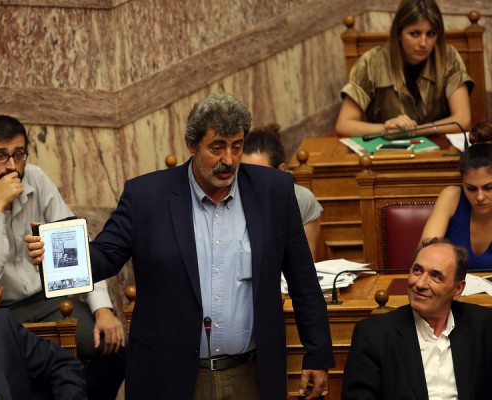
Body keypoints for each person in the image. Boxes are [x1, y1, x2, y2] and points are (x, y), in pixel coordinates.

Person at [27, 92, 335, 400]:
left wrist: (318, 353)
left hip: (251, 373)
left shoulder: (273, 192)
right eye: (217, 147)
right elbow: (105, 255)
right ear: (192, 145)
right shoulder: (146, 197)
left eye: (236, 146)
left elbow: (303, 280)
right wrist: (53, 256)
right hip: (170, 376)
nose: (229, 160)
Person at [0, 115, 126, 399]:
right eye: (0, 156)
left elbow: (77, 243)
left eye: (19, 155)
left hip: (48, 301)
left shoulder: (37, 179)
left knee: (114, 347)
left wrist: (102, 309)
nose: (12, 166)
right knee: (15, 376)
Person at [341, 238, 492, 399]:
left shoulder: (484, 326)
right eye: (417, 270)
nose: (420, 284)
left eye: (436, 276)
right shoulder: (373, 335)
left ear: (458, 289)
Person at [335, 0, 473, 137]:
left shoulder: (448, 57)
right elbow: (344, 124)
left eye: (431, 34)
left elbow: (463, 120)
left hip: (439, 144)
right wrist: (386, 129)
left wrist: (415, 131)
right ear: (398, 33)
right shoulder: (371, 62)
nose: (423, 43)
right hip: (389, 147)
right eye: (414, 34)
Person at [241, 123, 322, 259]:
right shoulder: (231, 200)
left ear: (280, 170)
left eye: (260, 174)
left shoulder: (301, 199)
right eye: (244, 173)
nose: (251, 182)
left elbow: (305, 261)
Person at [421, 121, 492, 268]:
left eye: (489, 187)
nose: (480, 197)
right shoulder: (451, 197)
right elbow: (424, 258)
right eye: (471, 188)